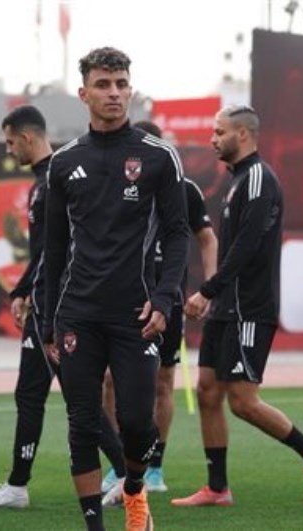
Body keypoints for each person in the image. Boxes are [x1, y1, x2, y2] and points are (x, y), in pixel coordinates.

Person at [43, 47, 190, 531]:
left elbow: (178, 234)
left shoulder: (158, 157)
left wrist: (165, 299)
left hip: (136, 314)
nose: (114, 93)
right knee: (82, 422)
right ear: (83, 93)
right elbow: (53, 249)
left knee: (138, 424)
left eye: (121, 84)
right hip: (78, 314)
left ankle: (133, 488)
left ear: (131, 89)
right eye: (103, 84)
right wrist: (48, 320)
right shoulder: (64, 163)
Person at [172, 105, 303, 508]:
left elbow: (246, 248)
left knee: (243, 401)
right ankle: (217, 488)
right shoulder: (236, 181)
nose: (212, 139)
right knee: (207, 391)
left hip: (249, 308)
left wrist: (207, 291)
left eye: (219, 132)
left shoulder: (260, 178)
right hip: (227, 306)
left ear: (243, 134)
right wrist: (215, 296)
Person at [0, 105, 127, 509]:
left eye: (10, 142)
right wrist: (23, 291)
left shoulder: (55, 179)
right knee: (39, 393)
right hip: (47, 304)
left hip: (57, 309)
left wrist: (33, 296)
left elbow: (55, 252)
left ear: (26, 137)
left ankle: (126, 475)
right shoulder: (49, 179)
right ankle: (19, 485)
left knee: (69, 396)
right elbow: (44, 252)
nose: (8, 150)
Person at [100, 120, 218, 504]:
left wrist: (208, 288)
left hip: (167, 301)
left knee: (162, 383)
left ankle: (154, 467)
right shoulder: (117, 185)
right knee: (109, 381)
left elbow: (207, 238)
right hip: (123, 298)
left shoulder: (185, 189)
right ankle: (121, 463)